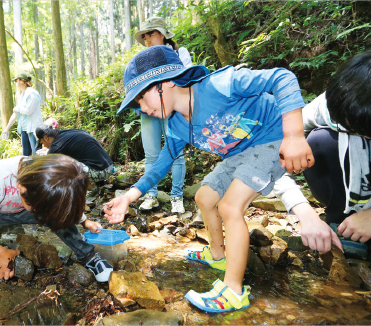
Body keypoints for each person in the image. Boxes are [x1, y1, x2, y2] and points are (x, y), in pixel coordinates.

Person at [104, 45, 313, 313]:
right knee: (204, 196)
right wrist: (128, 197)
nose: (143, 109)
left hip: (272, 138)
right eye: (138, 105)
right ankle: (218, 255)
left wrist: (294, 135)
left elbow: (282, 77)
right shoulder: (177, 125)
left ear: (165, 82)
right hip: (240, 153)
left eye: (143, 98)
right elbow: (161, 164)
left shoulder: (220, 85)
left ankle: (234, 290)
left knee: (229, 207)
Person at [0, 154, 113, 291]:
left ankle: (88, 255)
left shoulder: (54, 174)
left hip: (19, 211)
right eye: (39, 206)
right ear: (21, 186)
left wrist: (84, 221)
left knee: (57, 212)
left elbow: (65, 199)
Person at [274, 51, 371, 254]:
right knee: (320, 142)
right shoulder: (337, 103)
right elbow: (272, 159)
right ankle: (343, 221)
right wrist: (306, 215)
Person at [134, 16, 192, 214]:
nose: (147, 40)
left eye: (150, 34)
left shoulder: (179, 53)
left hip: (172, 108)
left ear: (162, 34)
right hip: (150, 111)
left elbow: (185, 77)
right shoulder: (142, 60)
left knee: (175, 153)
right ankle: (151, 195)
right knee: (151, 154)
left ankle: (177, 196)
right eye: (144, 36)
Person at [35, 124, 115, 183]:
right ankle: (94, 184)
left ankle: (82, 190)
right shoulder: (66, 133)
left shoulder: (56, 145)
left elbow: (44, 167)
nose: (44, 146)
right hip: (108, 166)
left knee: (61, 168)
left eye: (42, 143)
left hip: (101, 171)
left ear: (46, 138)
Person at [2, 71, 43, 156]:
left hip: (33, 129)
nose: (16, 84)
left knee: (37, 154)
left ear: (22, 81)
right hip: (24, 129)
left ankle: (40, 169)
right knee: (26, 155)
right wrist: (6, 129)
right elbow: (16, 114)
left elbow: (28, 110)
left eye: (17, 81)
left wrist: (18, 109)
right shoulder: (22, 95)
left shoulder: (32, 94)